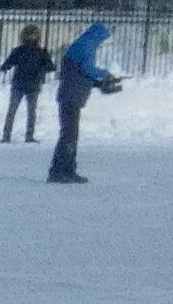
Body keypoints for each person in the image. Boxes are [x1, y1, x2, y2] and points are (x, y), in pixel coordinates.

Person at [48, 21, 122, 184]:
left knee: (69, 135)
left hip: (71, 95)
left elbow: (80, 74)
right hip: (71, 97)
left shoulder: (81, 45)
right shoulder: (86, 46)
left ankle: (63, 171)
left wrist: (100, 83)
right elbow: (88, 69)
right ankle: (62, 172)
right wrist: (106, 74)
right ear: (98, 36)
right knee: (69, 136)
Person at [0, 24, 54, 144]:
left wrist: (4, 68)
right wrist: (42, 70)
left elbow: (8, 63)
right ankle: (29, 136)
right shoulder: (41, 52)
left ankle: (6, 136)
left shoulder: (19, 50)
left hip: (19, 84)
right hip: (33, 85)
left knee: (12, 111)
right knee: (31, 112)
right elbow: (50, 67)